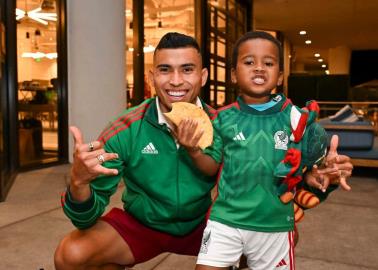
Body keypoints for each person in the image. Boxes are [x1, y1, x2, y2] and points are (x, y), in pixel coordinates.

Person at [54, 32, 352, 270]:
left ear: (204, 76)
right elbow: (84, 218)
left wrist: (315, 178)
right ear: (151, 76)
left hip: (206, 223)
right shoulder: (125, 130)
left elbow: (274, 178)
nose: (175, 81)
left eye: (187, 69)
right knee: (71, 254)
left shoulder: (226, 124)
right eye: (164, 70)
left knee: (279, 234)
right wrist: (78, 182)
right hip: (142, 225)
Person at [174, 31, 352, 270]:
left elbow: (305, 168)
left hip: (275, 224)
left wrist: (321, 169)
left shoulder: (295, 118)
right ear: (234, 75)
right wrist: (193, 150)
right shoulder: (222, 118)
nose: (259, 68)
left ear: (279, 77)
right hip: (226, 220)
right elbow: (211, 167)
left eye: (268, 63)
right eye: (249, 62)